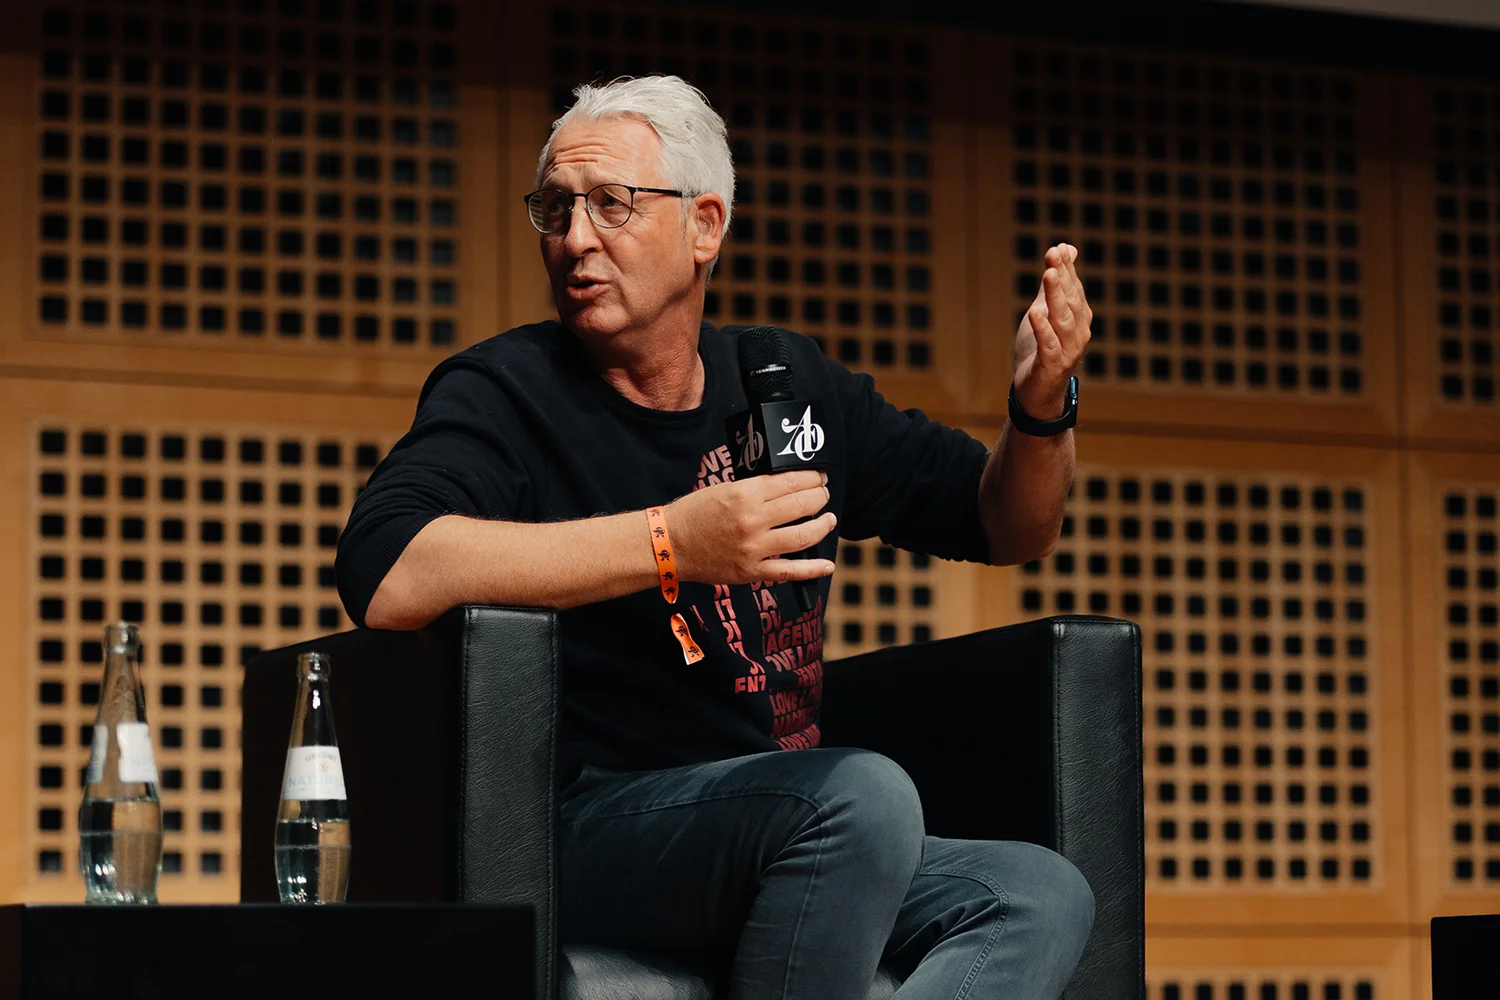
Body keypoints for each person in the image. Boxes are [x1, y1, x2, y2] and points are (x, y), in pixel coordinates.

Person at [336, 75, 1096, 999]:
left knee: (1034, 893)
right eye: (554, 208)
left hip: (779, 818)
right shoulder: (508, 390)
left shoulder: (784, 383)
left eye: (610, 204)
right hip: (589, 822)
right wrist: (671, 542)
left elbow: (1008, 523)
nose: (574, 238)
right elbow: (388, 569)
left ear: (705, 226)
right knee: (861, 800)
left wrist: (1040, 407)